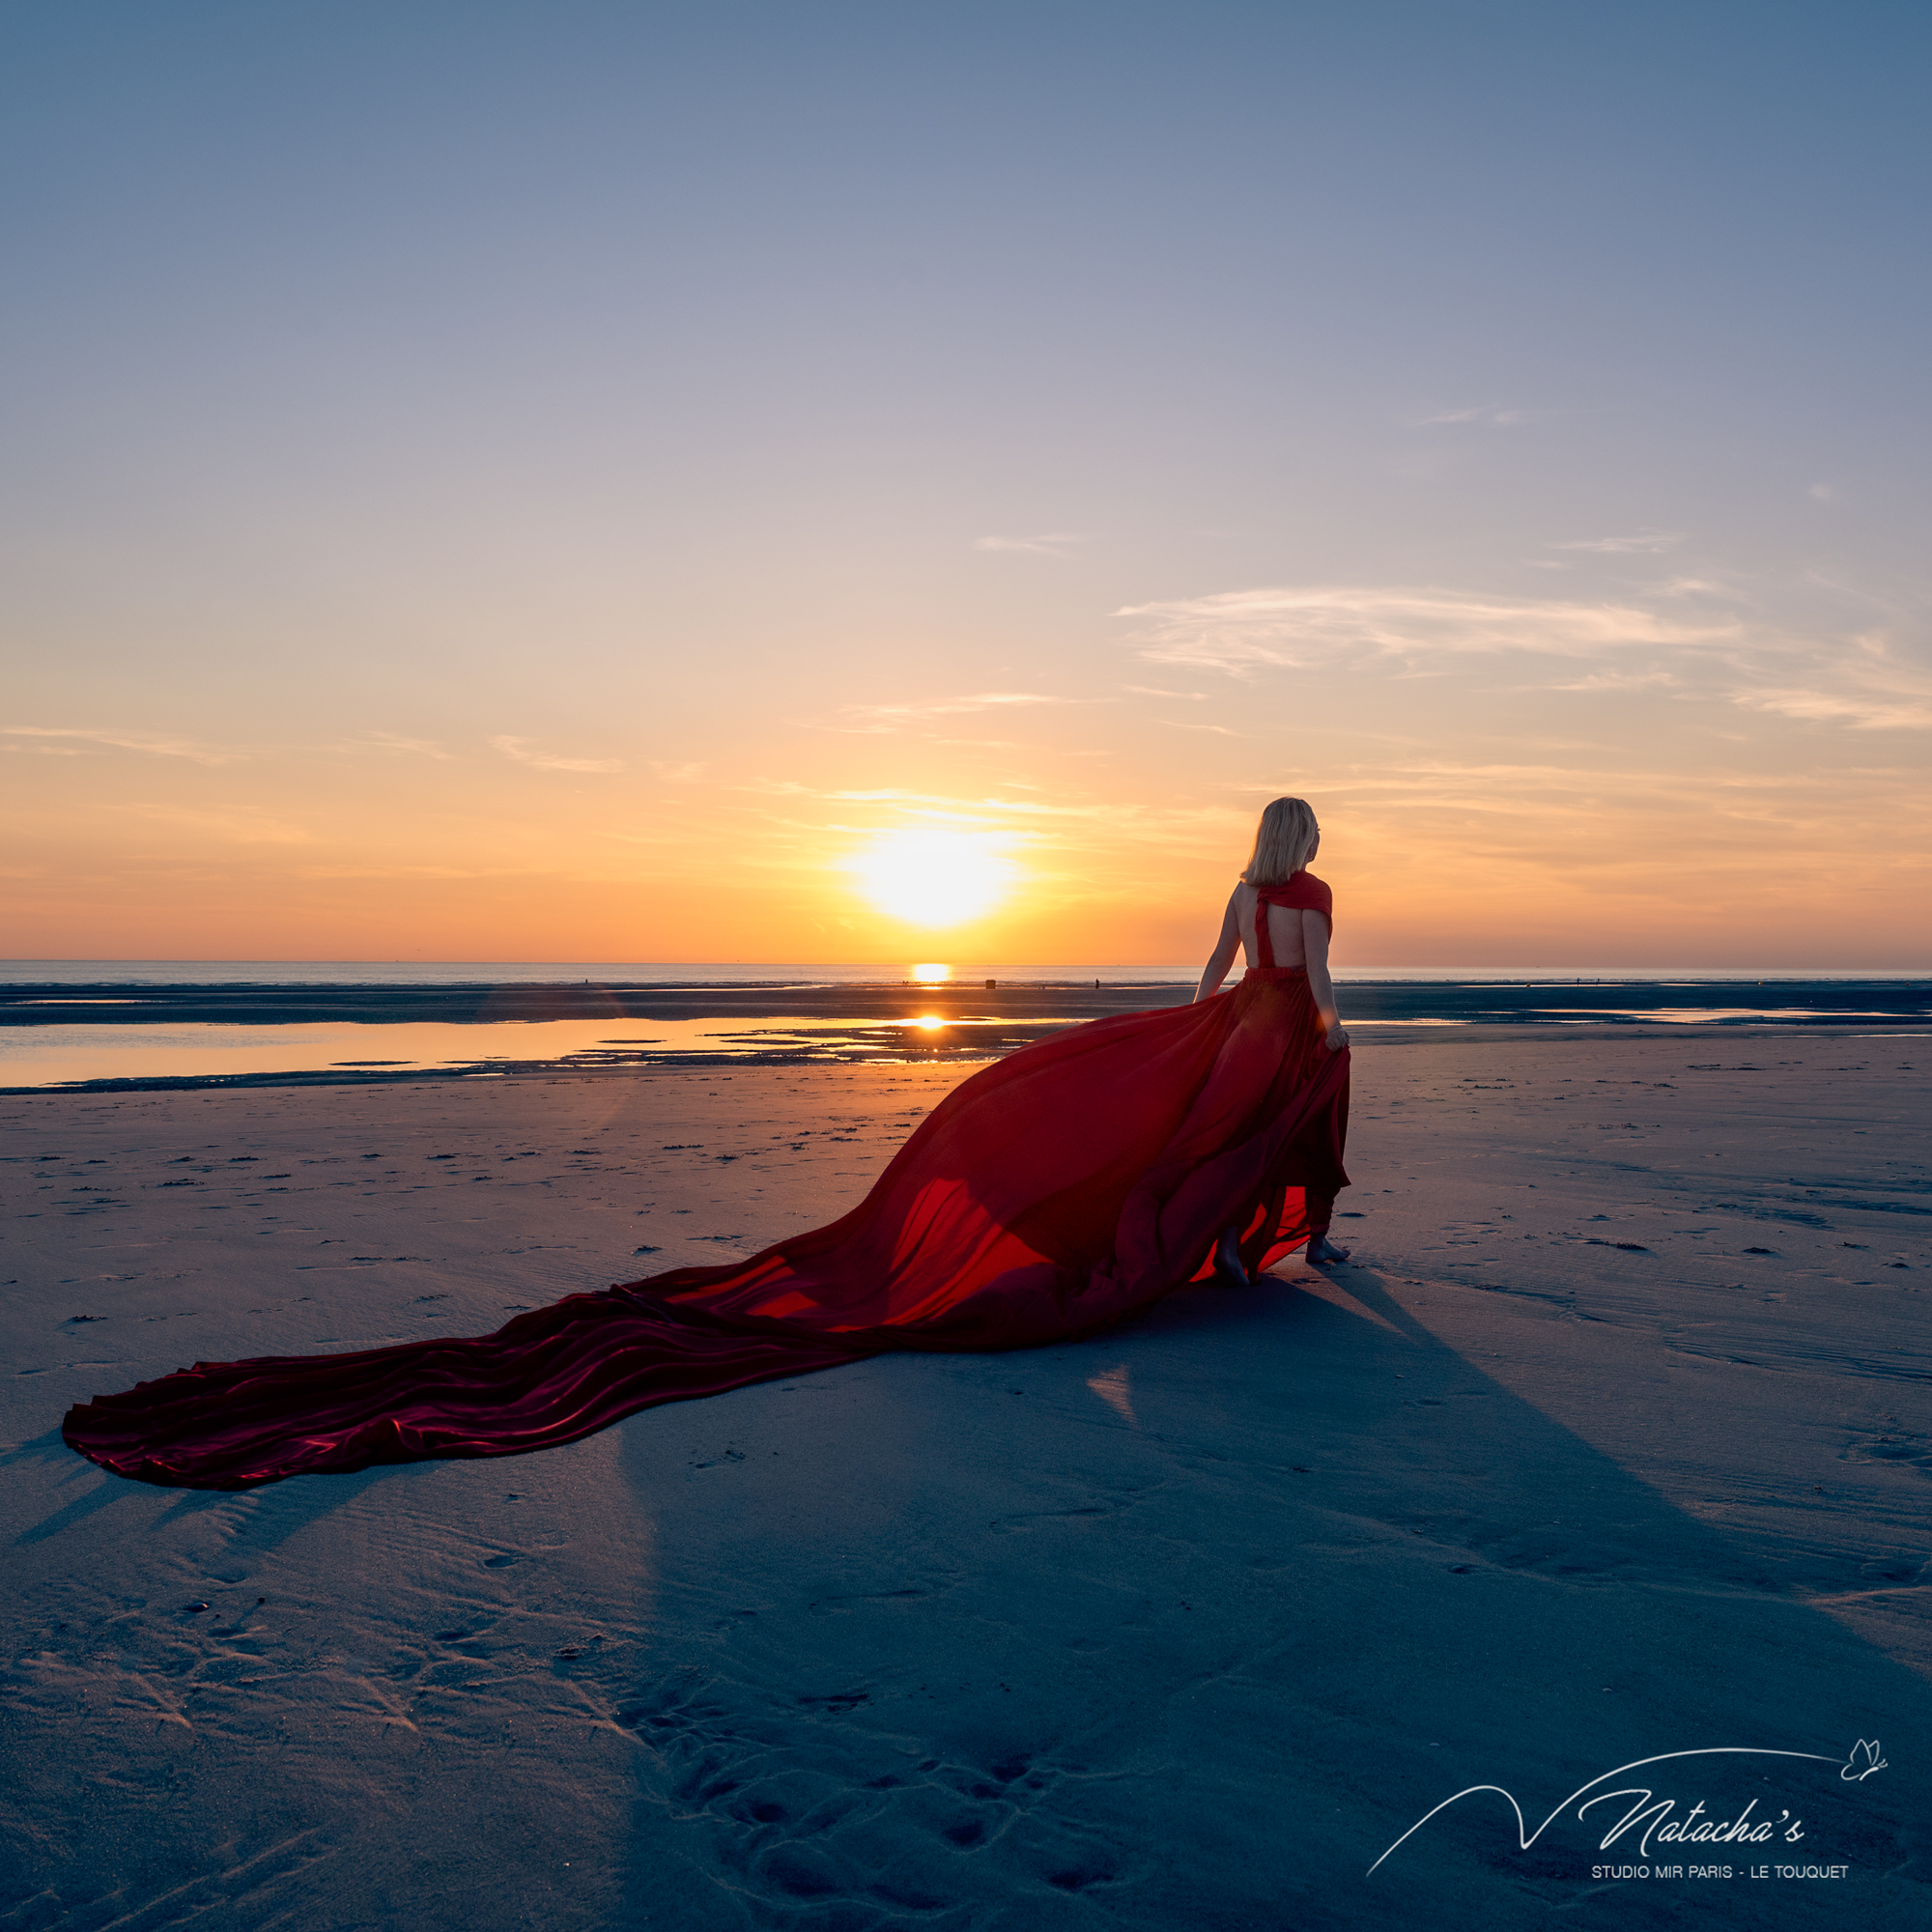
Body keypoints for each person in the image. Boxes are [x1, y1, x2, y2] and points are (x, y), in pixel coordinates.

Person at [64, 798, 1352, 1489]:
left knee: (1191, 1136)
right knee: (1270, 1130)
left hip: (1228, 1021)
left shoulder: (1245, 890)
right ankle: (1277, 1248)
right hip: (1279, 1029)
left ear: (1262, 843)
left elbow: (1213, 970)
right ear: (1310, 846)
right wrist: (1313, 1035)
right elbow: (1316, 981)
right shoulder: (1312, 897)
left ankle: (1235, 1251)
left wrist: (1184, 1040)